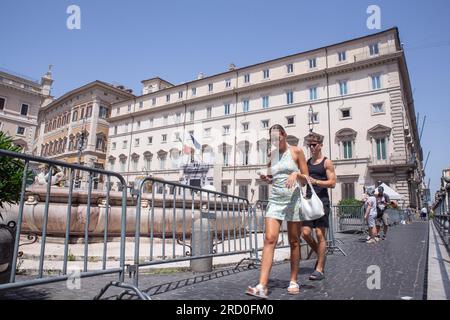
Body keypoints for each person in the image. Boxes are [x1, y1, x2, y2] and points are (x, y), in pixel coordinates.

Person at [246, 124, 308, 299]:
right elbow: (274, 177)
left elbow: (306, 179)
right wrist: (267, 178)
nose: (275, 141)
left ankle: (294, 280)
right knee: (269, 239)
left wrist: (296, 175)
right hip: (275, 200)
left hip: (293, 200)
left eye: (277, 138)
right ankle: (262, 285)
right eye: (271, 139)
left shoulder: (297, 152)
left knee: (294, 241)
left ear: (284, 135)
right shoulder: (271, 155)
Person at [300, 132, 336, 281]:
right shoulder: (307, 163)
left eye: (314, 145)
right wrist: (299, 177)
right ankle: (322, 253)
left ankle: (319, 269)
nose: (311, 148)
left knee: (321, 235)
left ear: (320, 145)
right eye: (309, 145)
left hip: (322, 202)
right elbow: (303, 183)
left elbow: (332, 183)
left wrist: (316, 182)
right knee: (305, 233)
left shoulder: (327, 162)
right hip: (309, 202)